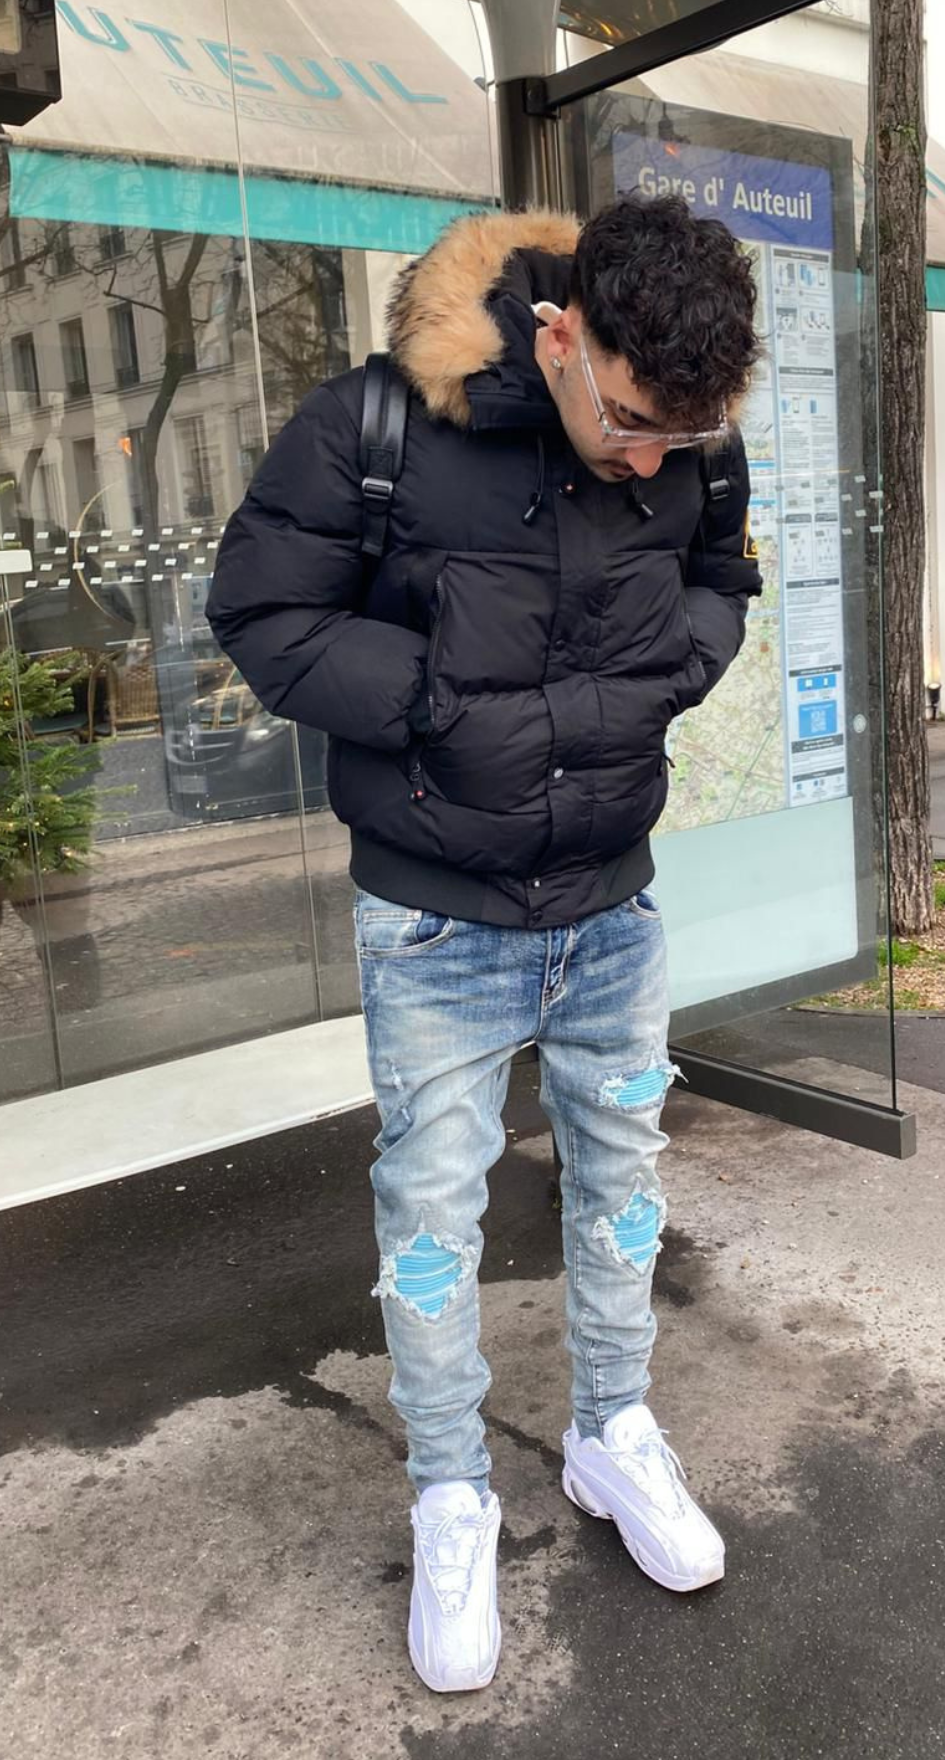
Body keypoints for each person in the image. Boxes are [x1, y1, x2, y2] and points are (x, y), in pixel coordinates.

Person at [206, 194, 762, 1693]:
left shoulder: (687, 437)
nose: (651, 461)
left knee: (624, 1186)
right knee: (433, 1218)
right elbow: (260, 610)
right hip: (434, 915)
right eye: (632, 422)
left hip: (613, 904)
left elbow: (721, 585)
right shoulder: (376, 423)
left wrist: (663, 678)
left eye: (686, 438)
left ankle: (612, 1430)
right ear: (563, 337)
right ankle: (451, 1487)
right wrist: (443, 699)